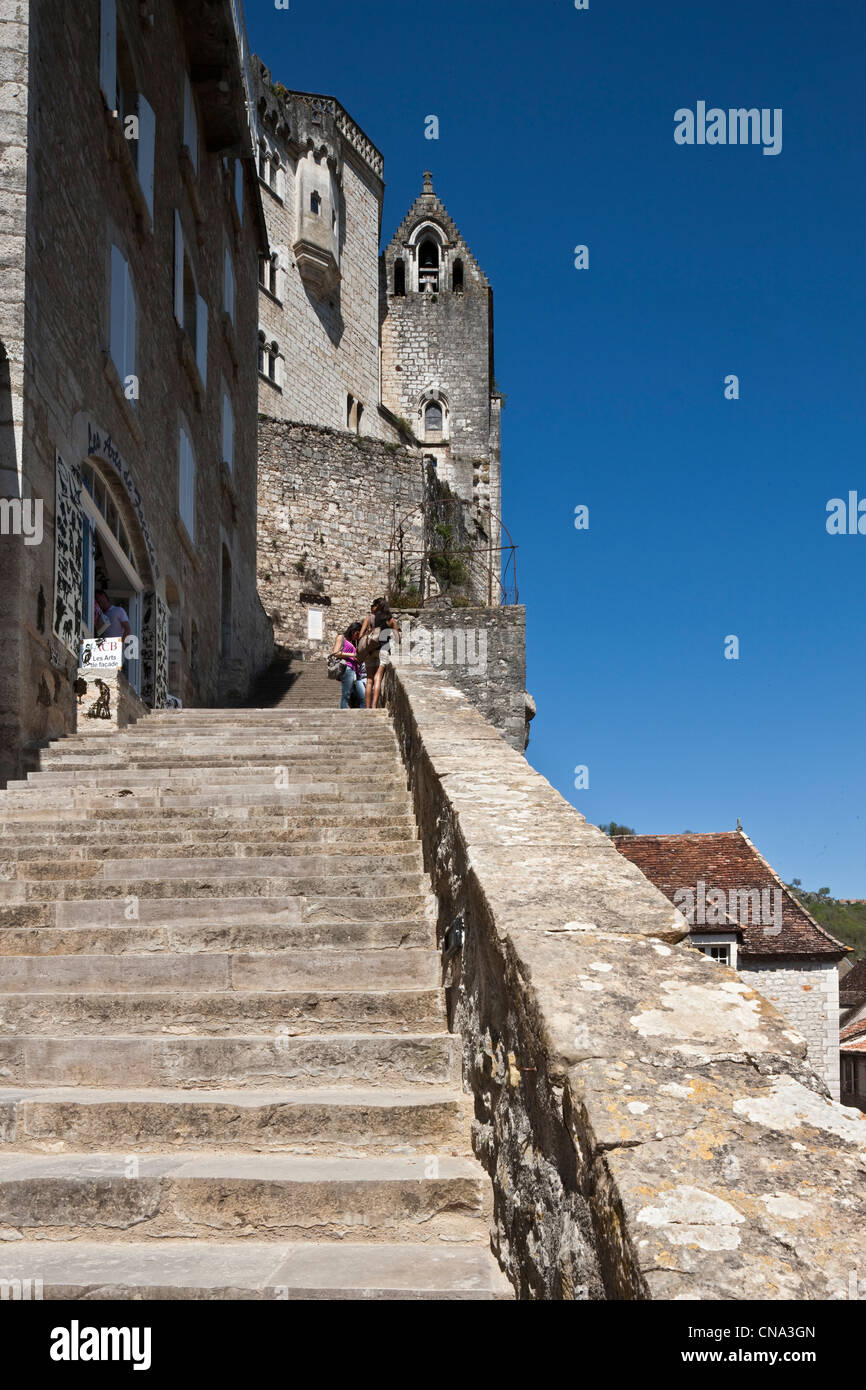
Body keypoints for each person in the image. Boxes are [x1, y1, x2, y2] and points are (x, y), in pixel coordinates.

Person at [358, 597, 400, 710]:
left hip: (370, 651)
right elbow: (398, 639)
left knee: (369, 679)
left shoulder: (369, 618)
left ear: (377, 606)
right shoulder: (390, 620)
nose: (372, 607)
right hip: (383, 649)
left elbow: (360, 635)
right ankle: (374, 707)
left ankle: (367, 708)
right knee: (378, 678)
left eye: (374, 605)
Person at [332, 621, 366, 710]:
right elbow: (335, 653)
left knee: (363, 696)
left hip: (355, 671)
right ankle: (343, 712)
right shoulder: (341, 637)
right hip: (347, 668)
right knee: (346, 694)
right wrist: (352, 655)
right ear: (353, 630)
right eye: (357, 634)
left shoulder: (354, 642)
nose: (358, 636)